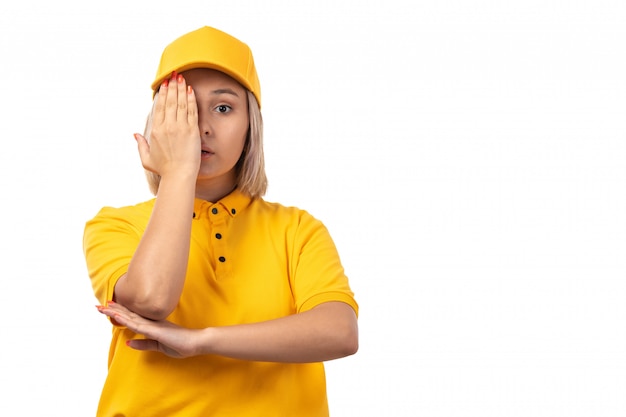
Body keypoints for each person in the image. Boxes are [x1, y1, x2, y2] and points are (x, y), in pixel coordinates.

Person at [83, 26, 359, 416]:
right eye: (184, 110)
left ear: (251, 127)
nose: (202, 127)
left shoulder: (297, 229)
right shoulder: (114, 225)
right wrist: (179, 173)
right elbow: (151, 300)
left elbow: (340, 333)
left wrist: (202, 340)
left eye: (224, 107)